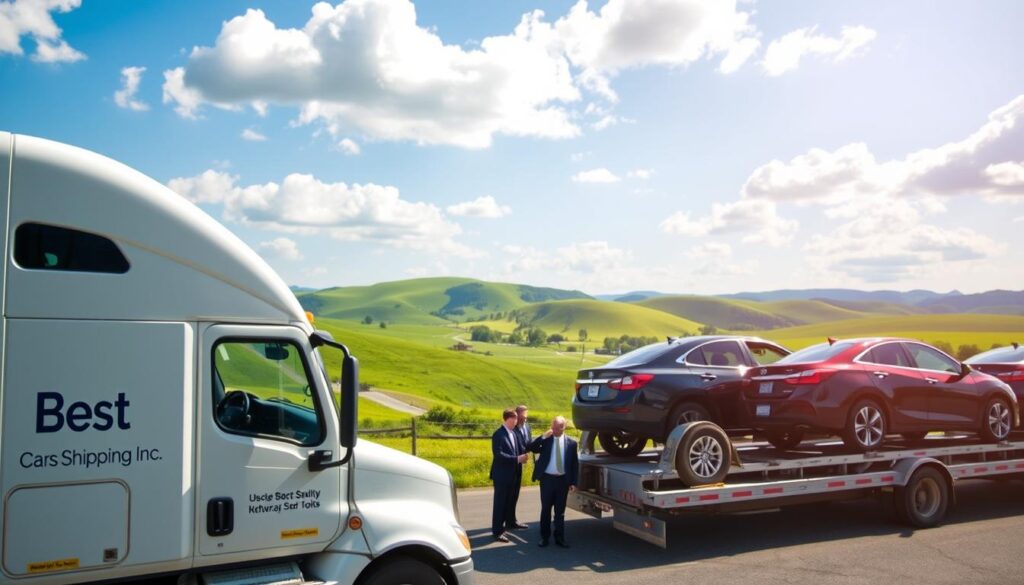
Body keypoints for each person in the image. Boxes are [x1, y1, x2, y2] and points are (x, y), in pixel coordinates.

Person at [527, 415, 578, 548]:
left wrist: (573, 482)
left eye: (558, 428)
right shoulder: (546, 440)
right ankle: (544, 537)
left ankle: (559, 538)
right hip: (547, 479)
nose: (555, 430)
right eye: (553, 427)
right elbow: (531, 447)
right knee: (546, 510)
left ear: (564, 427)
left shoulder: (572, 443)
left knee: (560, 512)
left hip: (563, 481)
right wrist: (543, 437)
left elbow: (574, 464)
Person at [490, 408, 527, 542]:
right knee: (500, 503)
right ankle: (497, 531)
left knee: (510, 501)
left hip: (513, 474)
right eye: (513, 420)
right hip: (501, 475)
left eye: (516, 419)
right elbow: (498, 455)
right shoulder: (498, 434)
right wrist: (517, 459)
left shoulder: (514, 434)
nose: (515, 422)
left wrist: (523, 456)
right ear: (506, 419)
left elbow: (520, 449)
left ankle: (510, 522)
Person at [509, 404, 532, 530]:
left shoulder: (527, 427)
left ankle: (512, 520)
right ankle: (507, 521)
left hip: (520, 465)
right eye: (523, 416)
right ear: (517, 415)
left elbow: (528, 444)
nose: (525, 418)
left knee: (515, 494)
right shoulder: (512, 429)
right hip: (512, 464)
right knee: (510, 494)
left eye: (526, 415)